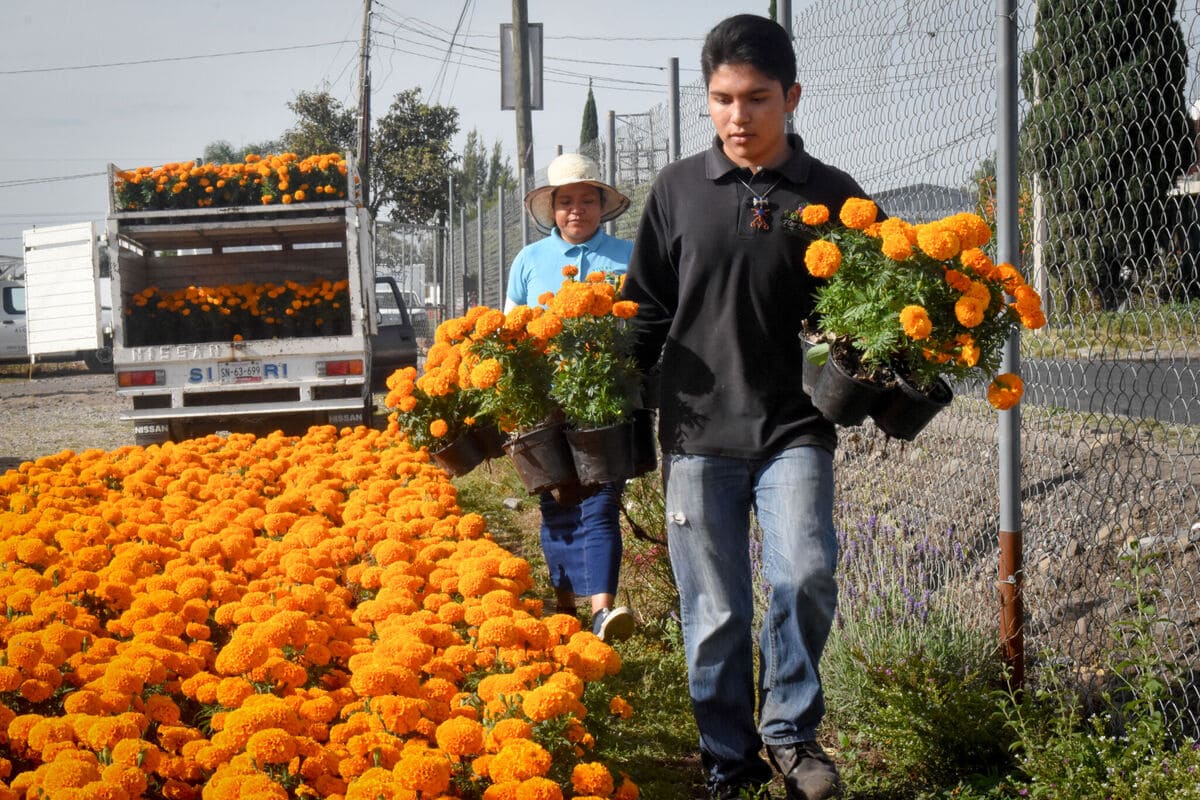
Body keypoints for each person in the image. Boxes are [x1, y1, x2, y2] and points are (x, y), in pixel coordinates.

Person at [620, 14, 872, 800]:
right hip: (696, 436)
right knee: (716, 613)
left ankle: (791, 737)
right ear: (708, 101)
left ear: (791, 97)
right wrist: (604, 396)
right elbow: (645, 312)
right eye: (724, 98)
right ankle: (727, 765)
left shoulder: (832, 196)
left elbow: (873, 311)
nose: (738, 115)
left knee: (808, 573)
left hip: (794, 427)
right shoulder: (677, 192)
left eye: (757, 98)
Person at [505, 151, 636, 643]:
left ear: (602, 205)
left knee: (601, 499)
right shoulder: (529, 260)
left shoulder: (627, 257)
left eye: (587, 199)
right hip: (542, 399)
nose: (576, 210)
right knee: (557, 501)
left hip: (606, 398)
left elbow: (645, 323)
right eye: (565, 202)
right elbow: (509, 329)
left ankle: (601, 611)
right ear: (552, 209)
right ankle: (565, 609)